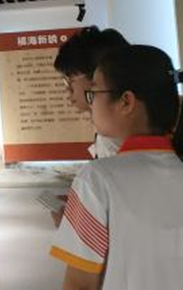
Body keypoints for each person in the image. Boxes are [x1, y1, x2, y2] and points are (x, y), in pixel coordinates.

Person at [50, 45, 183, 290]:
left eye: (93, 93)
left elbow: (79, 285)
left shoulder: (96, 179)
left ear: (126, 101)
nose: (90, 104)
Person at [51, 26, 130, 226]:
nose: (68, 90)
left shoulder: (120, 137)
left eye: (69, 79)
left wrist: (76, 224)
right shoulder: (112, 132)